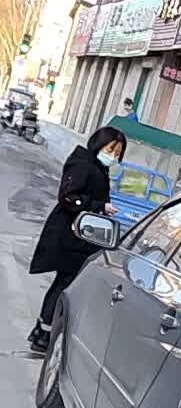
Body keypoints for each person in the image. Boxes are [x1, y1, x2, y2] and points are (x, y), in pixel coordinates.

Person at [27, 125, 126, 355]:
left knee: (65, 283)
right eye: (111, 150)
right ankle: (44, 334)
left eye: (118, 153)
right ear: (98, 144)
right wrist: (99, 206)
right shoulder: (84, 165)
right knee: (64, 283)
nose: (113, 156)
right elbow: (68, 196)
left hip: (81, 238)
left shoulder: (97, 168)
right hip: (69, 236)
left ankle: (44, 333)